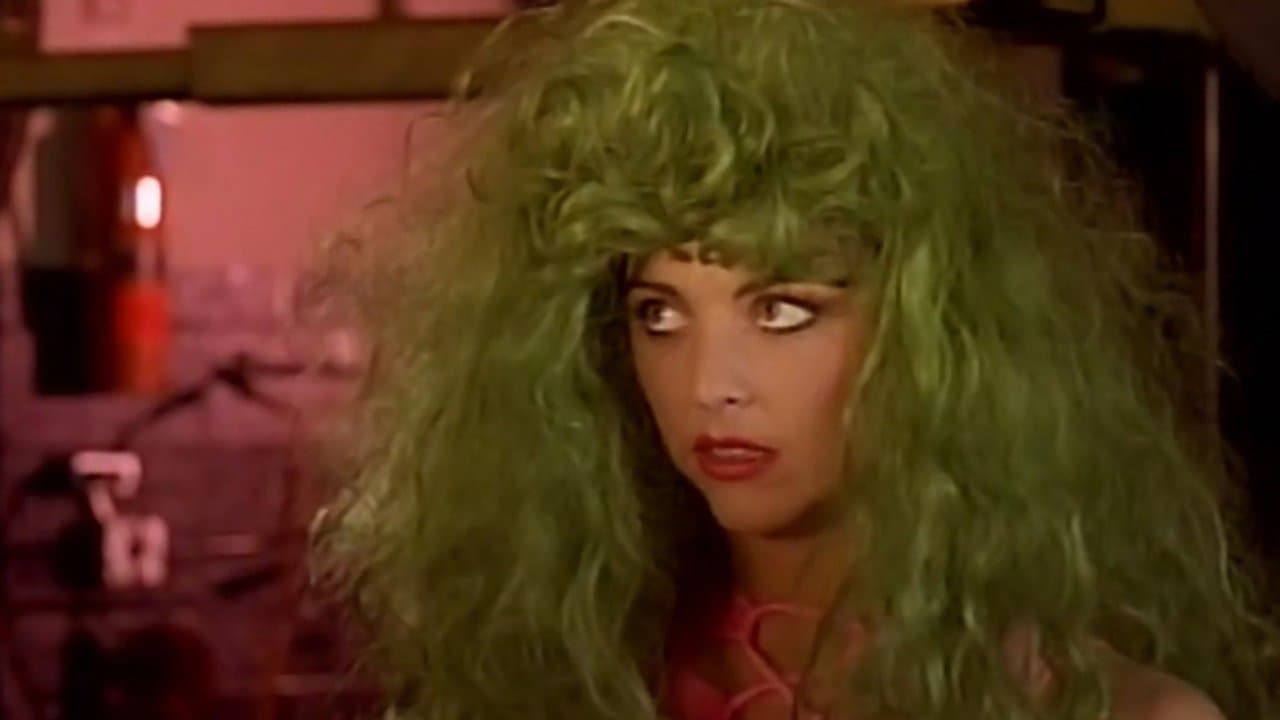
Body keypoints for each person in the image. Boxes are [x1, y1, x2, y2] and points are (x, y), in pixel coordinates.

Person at [311, 0, 1280, 718]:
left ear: (931, 325)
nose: (710, 386)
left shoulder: (1113, 713)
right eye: (659, 314)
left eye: (781, 310)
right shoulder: (553, 691)